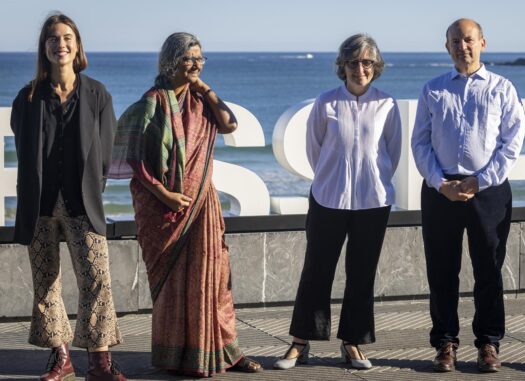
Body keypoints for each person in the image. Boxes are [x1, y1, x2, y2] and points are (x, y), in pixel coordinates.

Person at [110, 32, 261, 376]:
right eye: (188, 58)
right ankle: (178, 356)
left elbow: (230, 124)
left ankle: (227, 353)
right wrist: (165, 195)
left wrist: (204, 86)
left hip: (201, 206)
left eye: (199, 58)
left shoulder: (201, 100)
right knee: (175, 285)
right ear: (171, 61)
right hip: (163, 210)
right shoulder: (151, 103)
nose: (194, 64)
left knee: (214, 278)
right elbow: (137, 161)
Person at [273, 33, 402, 370]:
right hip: (328, 200)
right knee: (316, 271)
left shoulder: (387, 104)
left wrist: (370, 181)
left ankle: (353, 343)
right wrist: (336, 180)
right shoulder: (326, 103)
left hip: (373, 202)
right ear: (342, 66)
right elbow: (316, 152)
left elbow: (392, 153)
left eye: (367, 62)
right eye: (354, 62)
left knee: (362, 274)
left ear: (376, 67)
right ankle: (300, 343)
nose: (361, 69)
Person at [10, 13, 126, 381]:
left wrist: (92, 186)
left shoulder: (98, 94)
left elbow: (105, 154)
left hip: (83, 202)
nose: (60, 44)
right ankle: (62, 359)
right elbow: (23, 142)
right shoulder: (27, 97)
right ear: (44, 49)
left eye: (66, 38)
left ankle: (100, 362)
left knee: (97, 279)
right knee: (46, 282)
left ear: (77, 45)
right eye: (52, 39)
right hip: (40, 204)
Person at [411, 18, 525, 373]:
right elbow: (420, 141)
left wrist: (481, 180)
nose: (463, 46)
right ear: (447, 47)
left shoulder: (502, 88)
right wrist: (438, 182)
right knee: (442, 271)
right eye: (455, 41)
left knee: (488, 269)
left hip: (488, 192)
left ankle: (489, 343)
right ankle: (445, 342)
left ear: (482, 43)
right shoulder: (433, 89)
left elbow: (512, 142)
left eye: (469, 39)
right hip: (440, 190)